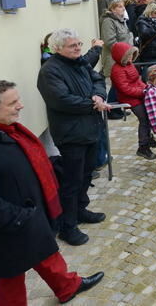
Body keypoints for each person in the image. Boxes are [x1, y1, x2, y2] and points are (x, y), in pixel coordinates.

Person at [0, 80, 104, 305]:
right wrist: (26, 218)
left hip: (30, 216)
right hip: (10, 227)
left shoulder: (8, 131)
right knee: (11, 281)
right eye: (12, 103)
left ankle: (68, 286)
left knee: (47, 254)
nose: (20, 105)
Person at [36, 29, 108, 246]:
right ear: (58, 48)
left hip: (90, 128)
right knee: (71, 181)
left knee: (86, 174)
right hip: (71, 134)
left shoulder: (80, 62)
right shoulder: (50, 71)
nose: (78, 48)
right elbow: (61, 100)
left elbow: (97, 78)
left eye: (78, 44)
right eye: (72, 46)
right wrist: (92, 104)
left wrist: (99, 95)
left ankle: (80, 210)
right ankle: (67, 226)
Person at [109, 42, 156, 160]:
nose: (131, 57)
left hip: (138, 95)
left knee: (149, 115)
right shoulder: (117, 70)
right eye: (128, 55)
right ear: (122, 56)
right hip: (129, 98)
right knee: (144, 119)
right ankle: (143, 147)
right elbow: (125, 89)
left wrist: (146, 88)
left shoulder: (129, 65)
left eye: (131, 55)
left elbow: (137, 80)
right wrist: (142, 92)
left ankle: (149, 138)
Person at [99, 0, 133, 79]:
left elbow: (127, 37)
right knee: (115, 85)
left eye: (123, 6)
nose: (123, 9)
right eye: (120, 7)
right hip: (113, 61)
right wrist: (123, 54)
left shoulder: (122, 21)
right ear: (113, 9)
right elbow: (110, 41)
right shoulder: (108, 21)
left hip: (124, 60)